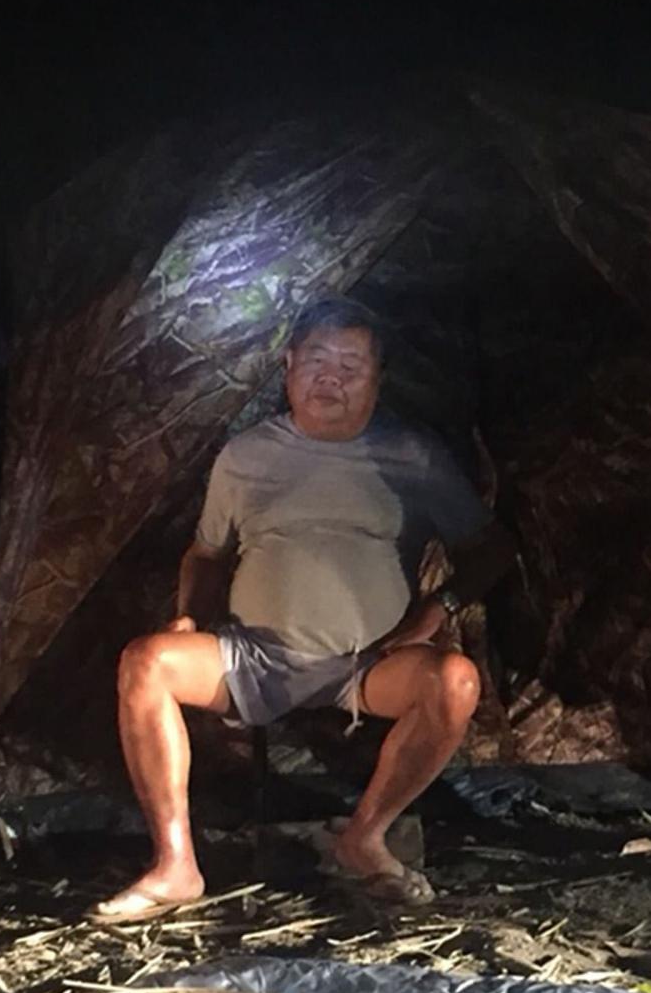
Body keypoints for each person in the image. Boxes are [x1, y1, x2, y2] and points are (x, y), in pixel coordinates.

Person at [91, 298, 516, 921]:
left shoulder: (413, 459)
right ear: (288, 367)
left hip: (367, 665)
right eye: (316, 360)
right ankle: (175, 864)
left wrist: (437, 609)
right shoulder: (247, 457)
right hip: (253, 655)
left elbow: (490, 550)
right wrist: (189, 616)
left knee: (454, 681)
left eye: (350, 364)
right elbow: (207, 553)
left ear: (378, 378)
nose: (331, 378)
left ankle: (364, 837)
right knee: (147, 662)